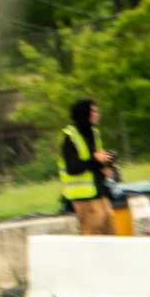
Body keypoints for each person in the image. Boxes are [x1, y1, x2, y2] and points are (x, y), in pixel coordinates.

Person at [59, 98, 118, 236]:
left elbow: (94, 160)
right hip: (83, 196)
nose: (98, 114)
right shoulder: (70, 136)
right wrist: (95, 159)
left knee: (110, 229)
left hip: (99, 191)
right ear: (84, 113)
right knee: (92, 234)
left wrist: (105, 167)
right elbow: (72, 168)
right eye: (94, 111)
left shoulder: (94, 133)